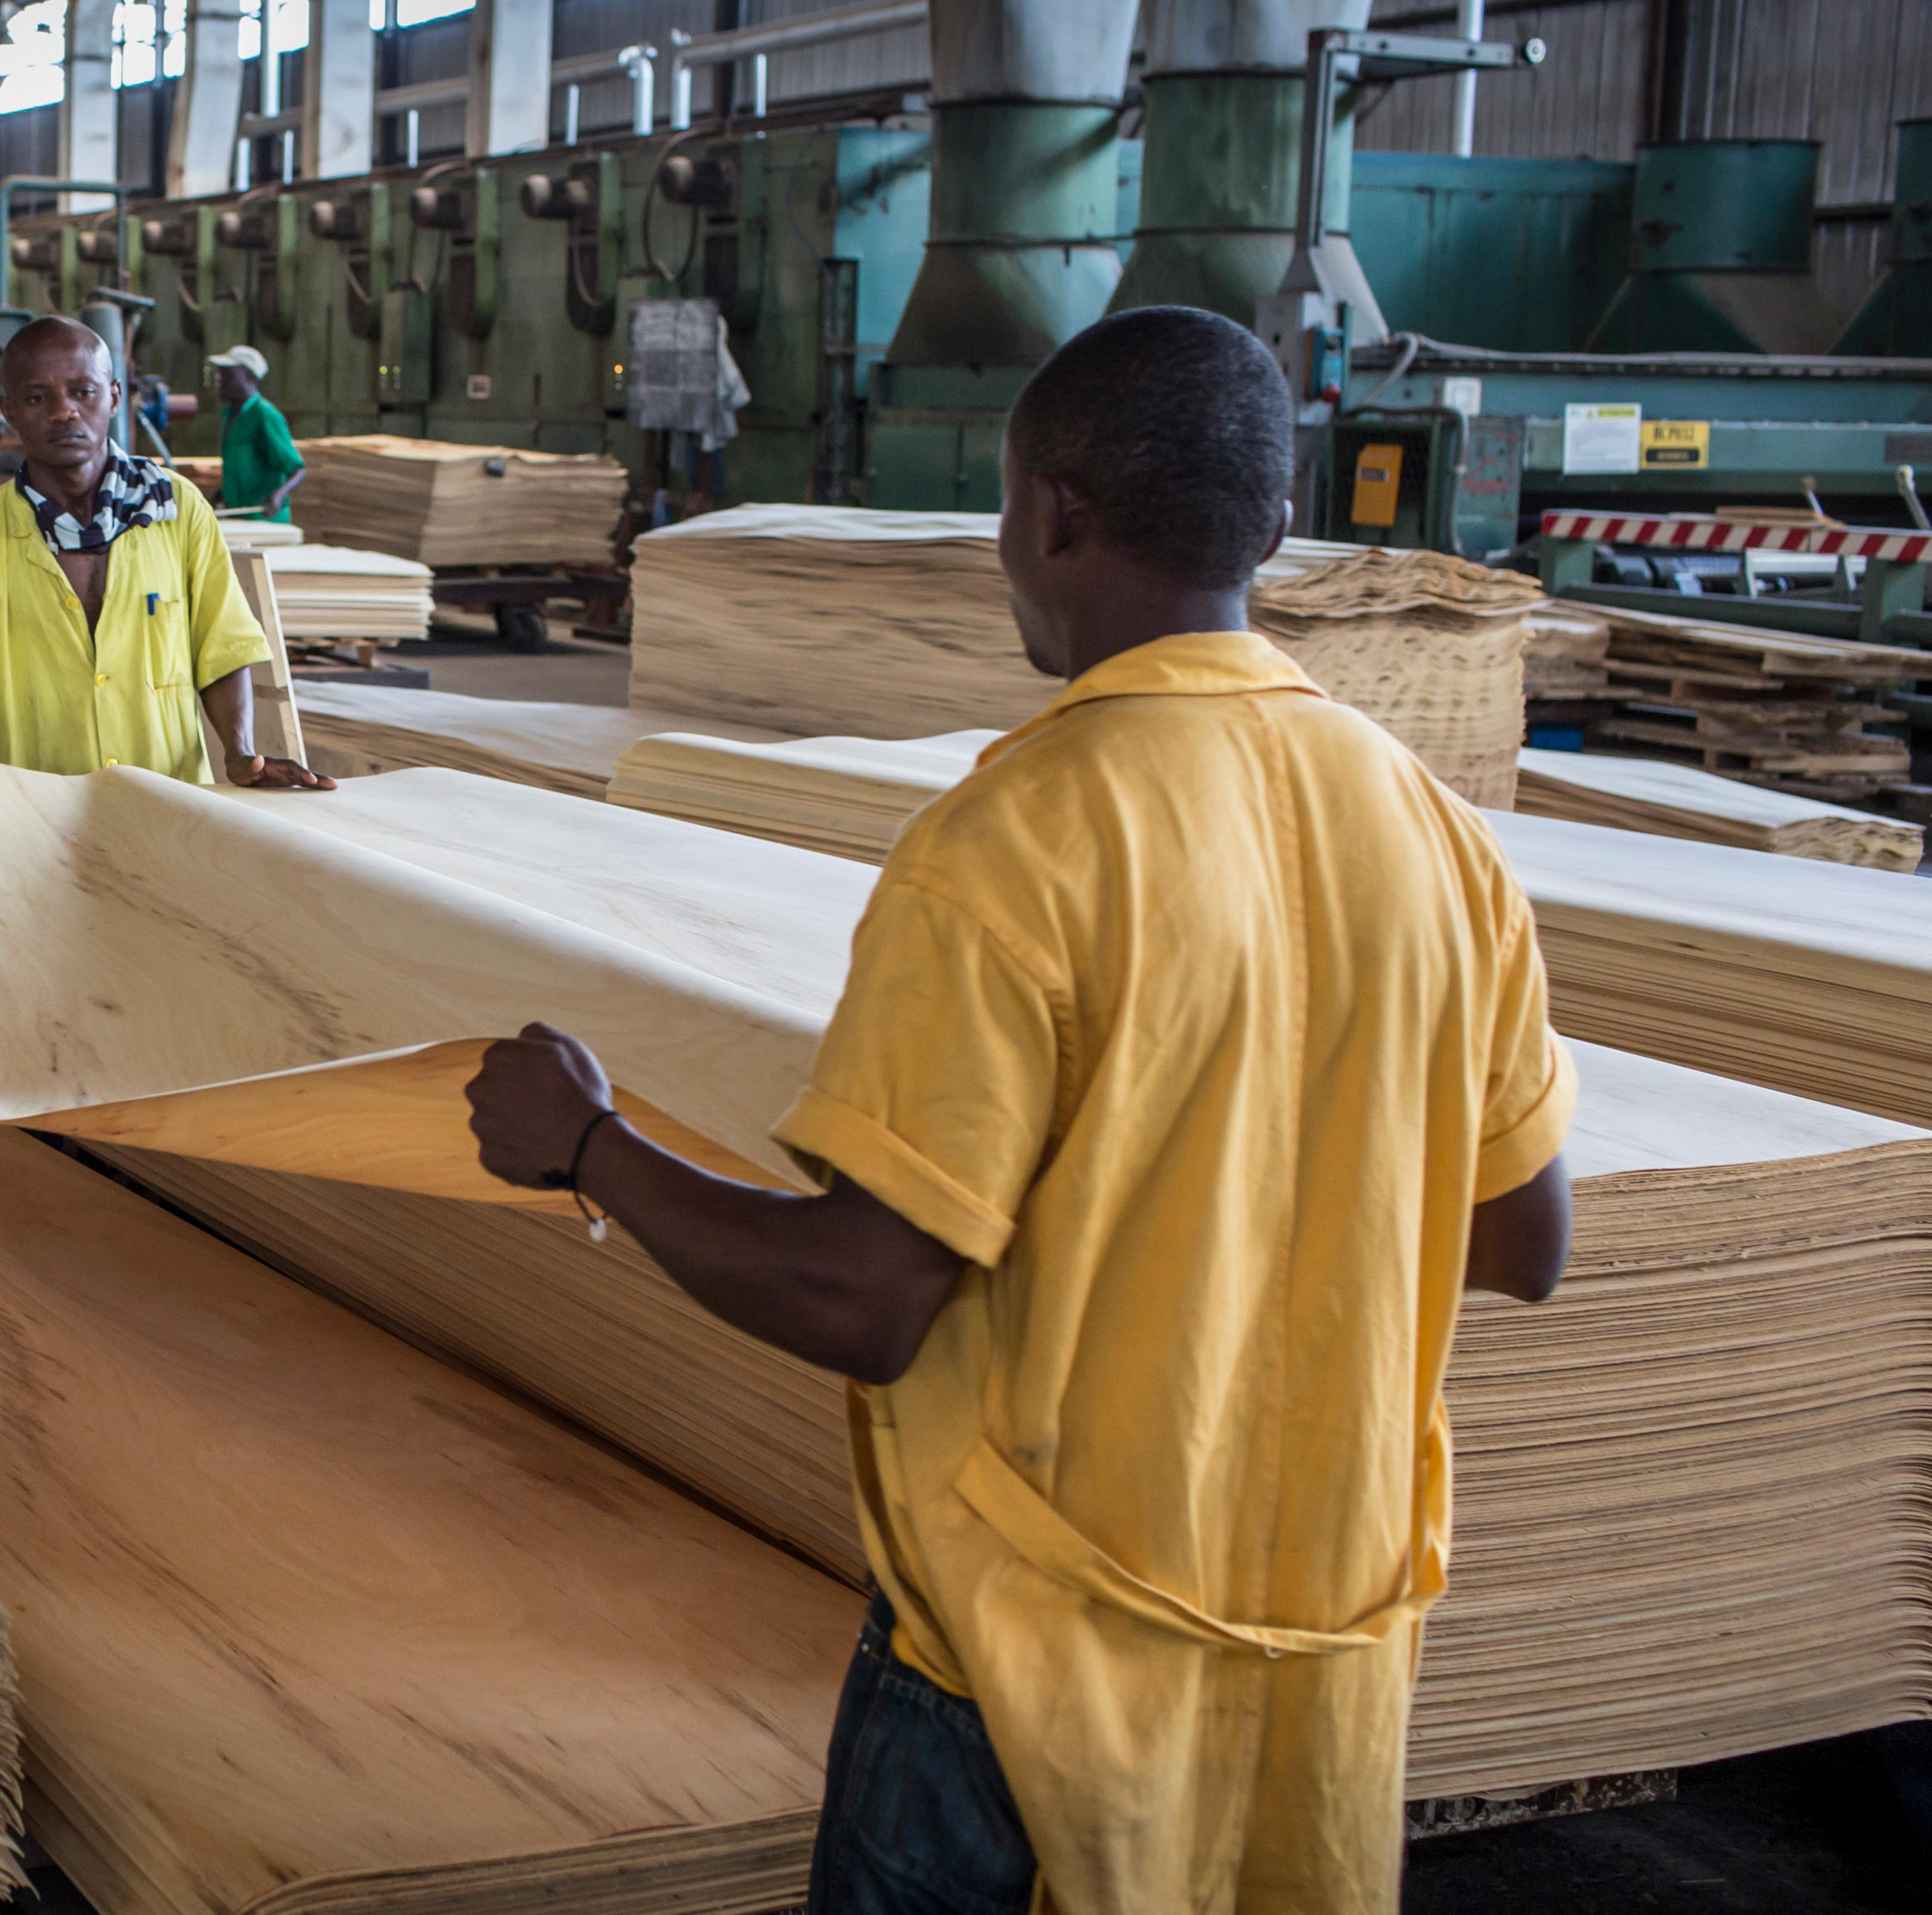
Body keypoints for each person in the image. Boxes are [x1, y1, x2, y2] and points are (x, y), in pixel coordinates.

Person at [460, 307, 1577, 1915]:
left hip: (1030, 1672)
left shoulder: (1018, 839)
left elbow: (865, 1296)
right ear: (1268, 525)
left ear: (1050, 512)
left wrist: (585, 1143)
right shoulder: (1433, 836)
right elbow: (1519, 1238)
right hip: (1321, 1661)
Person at [0, 317, 330, 790]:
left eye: (83, 391)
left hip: (172, 816)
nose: (63, 412)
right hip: (37, 829)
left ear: (115, 398)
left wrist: (239, 753)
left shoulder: (176, 510)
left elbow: (221, 649)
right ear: (8, 409)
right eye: (36, 398)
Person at [207, 344, 303, 524]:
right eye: (220, 375)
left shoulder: (265, 415)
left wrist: (277, 496)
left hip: (265, 521)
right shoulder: (229, 416)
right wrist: (221, 494)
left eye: (228, 375)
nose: (220, 380)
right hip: (237, 516)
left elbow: (297, 470)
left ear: (250, 377)